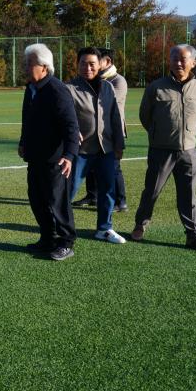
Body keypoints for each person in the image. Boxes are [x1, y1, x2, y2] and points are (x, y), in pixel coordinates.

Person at [131, 45, 196, 252]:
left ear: (193, 63)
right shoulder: (156, 87)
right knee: (151, 191)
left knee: (189, 195)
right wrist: (158, 135)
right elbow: (145, 116)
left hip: (189, 151)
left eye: (182, 59)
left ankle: (194, 236)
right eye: (174, 59)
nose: (178, 63)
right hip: (161, 150)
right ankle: (140, 225)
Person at [19, 44, 80, 261]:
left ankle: (66, 242)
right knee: (37, 199)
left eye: (29, 64)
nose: (25, 67)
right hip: (35, 156)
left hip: (55, 159)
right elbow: (27, 120)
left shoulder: (56, 89)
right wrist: (23, 142)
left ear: (44, 67)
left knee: (57, 202)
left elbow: (71, 125)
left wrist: (70, 155)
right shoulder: (31, 88)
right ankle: (48, 238)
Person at [66, 47, 127, 244]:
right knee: (69, 189)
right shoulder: (69, 89)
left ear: (100, 64)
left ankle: (104, 228)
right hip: (80, 151)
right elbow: (62, 117)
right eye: (83, 63)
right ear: (77, 65)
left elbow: (115, 117)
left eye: (92, 63)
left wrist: (119, 144)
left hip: (106, 149)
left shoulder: (108, 87)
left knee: (108, 190)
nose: (87, 67)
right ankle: (60, 227)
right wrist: (73, 131)